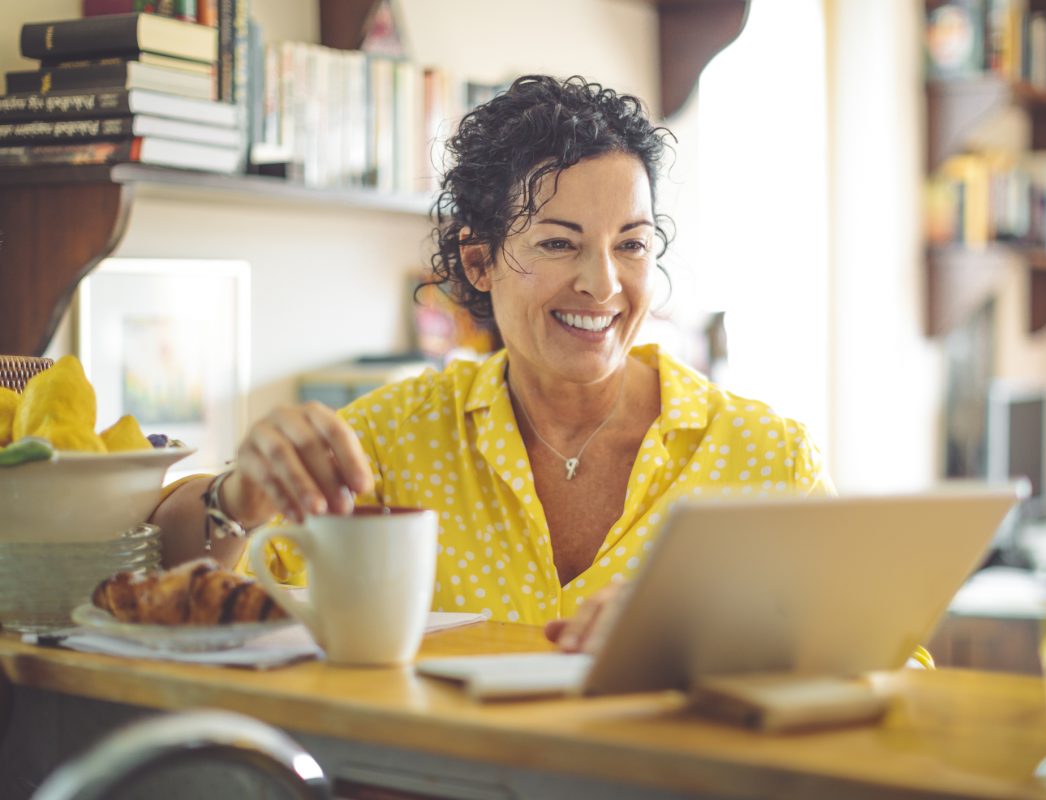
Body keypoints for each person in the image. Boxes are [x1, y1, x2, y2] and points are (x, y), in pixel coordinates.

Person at [150, 74, 833, 651]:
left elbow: (889, 673)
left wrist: (706, 653)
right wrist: (234, 498)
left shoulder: (768, 460)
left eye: (632, 244)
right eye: (560, 244)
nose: (603, 284)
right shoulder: (391, 440)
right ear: (478, 262)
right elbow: (168, 579)